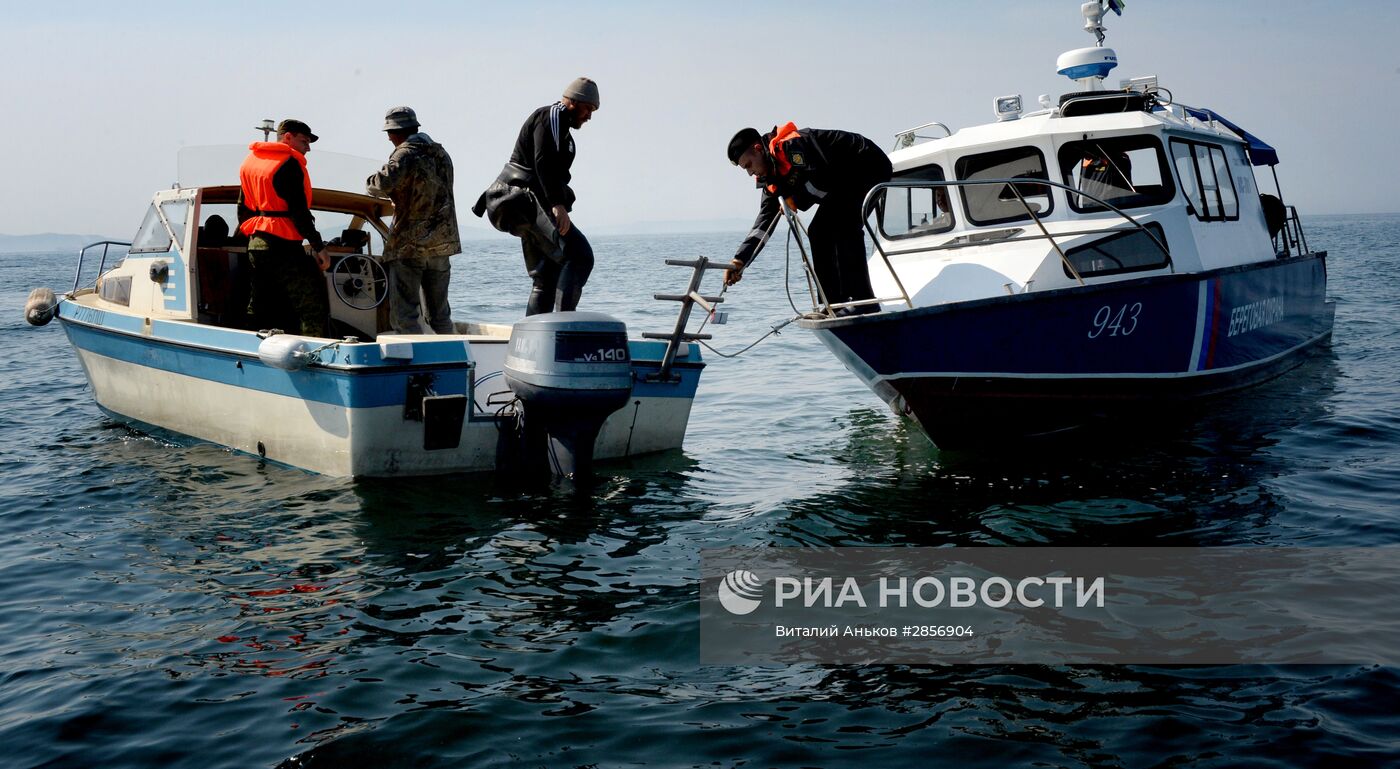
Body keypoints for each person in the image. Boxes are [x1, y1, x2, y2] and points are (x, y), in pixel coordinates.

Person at [725, 122, 892, 316]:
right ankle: (833, 304)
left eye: (748, 165)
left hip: (866, 164)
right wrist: (739, 261)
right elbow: (762, 226)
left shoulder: (793, 145)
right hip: (842, 182)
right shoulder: (770, 180)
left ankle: (864, 301)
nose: (750, 172)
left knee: (845, 226)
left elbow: (824, 176)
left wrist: (796, 199)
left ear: (757, 149)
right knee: (818, 232)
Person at [501, 77, 600, 315]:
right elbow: (542, 162)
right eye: (588, 109)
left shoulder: (566, 137)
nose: (589, 116)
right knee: (580, 256)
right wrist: (557, 205)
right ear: (574, 102)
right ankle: (564, 324)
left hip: (526, 202)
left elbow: (557, 173)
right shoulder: (552, 116)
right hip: (527, 199)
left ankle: (537, 335)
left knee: (547, 273)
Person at [366, 106, 461, 334]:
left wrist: (371, 181)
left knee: (405, 315)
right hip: (442, 244)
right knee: (440, 316)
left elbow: (380, 184)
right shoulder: (441, 154)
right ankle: (449, 360)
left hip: (410, 245)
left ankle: (415, 365)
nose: (388, 138)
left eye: (389, 133)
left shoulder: (404, 153)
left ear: (396, 132)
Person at [237, 118, 330, 337]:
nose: (307, 148)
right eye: (304, 141)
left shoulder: (250, 163)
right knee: (311, 304)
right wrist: (318, 246)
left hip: (256, 245)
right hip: (283, 245)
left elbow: (243, 208)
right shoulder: (289, 164)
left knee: (261, 301)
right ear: (287, 137)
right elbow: (299, 212)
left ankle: (250, 345)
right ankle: (314, 351)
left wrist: (251, 237)